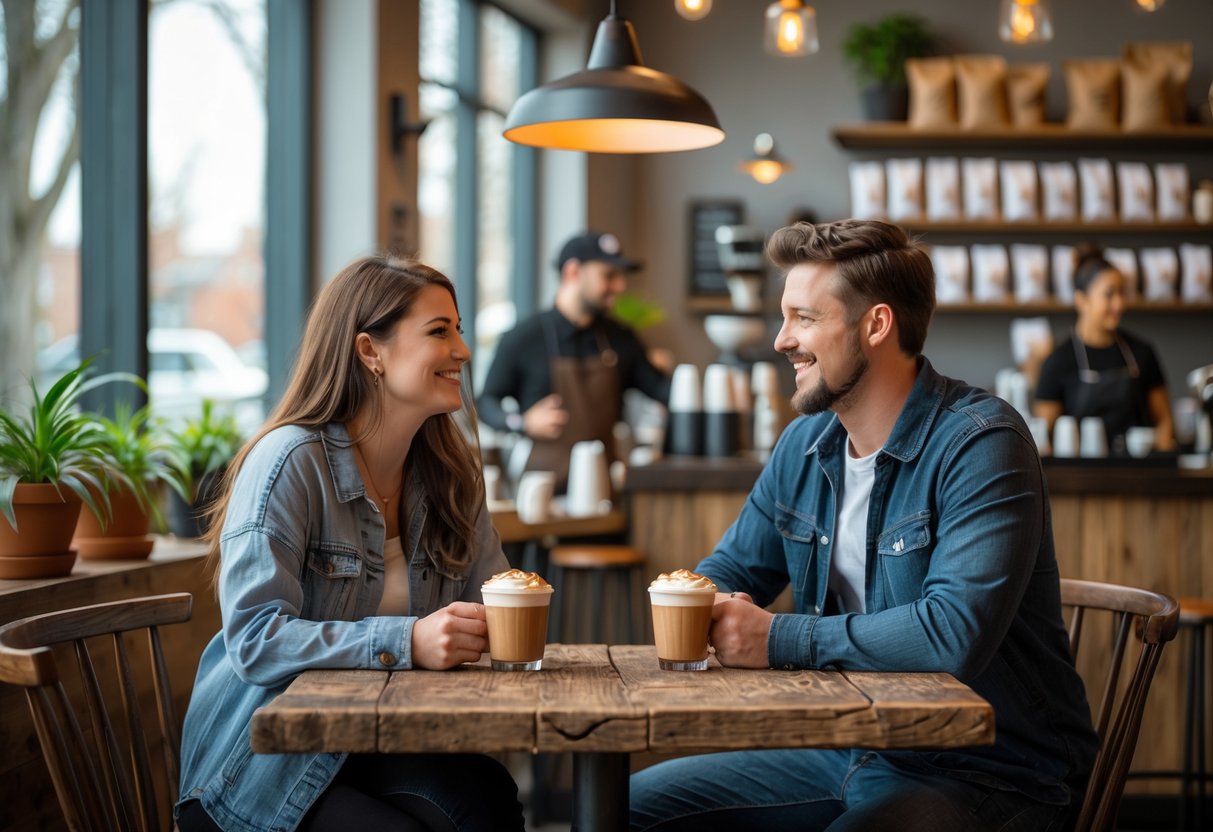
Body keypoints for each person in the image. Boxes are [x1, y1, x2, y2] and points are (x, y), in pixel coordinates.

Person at [629, 220, 1098, 832]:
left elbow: (951, 634)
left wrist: (775, 639)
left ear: (876, 325)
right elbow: (729, 569)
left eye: (803, 318)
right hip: (850, 746)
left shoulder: (982, 443)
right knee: (628, 807)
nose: (781, 340)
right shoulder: (805, 443)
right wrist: (714, 603)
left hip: (994, 770)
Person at [176, 256, 524, 832]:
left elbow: (494, 602)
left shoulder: (449, 475)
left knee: (487, 799)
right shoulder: (289, 462)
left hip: (373, 743)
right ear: (370, 352)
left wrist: (499, 624)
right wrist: (407, 639)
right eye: (440, 331)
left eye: (459, 329)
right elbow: (255, 640)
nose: (463, 350)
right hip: (255, 772)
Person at [478, 231, 671, 489]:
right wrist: (521, 422)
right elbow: (486, 401)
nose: (620, 286)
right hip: (541, 496)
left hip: (604, 491)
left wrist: (679, 378)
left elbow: (662, 391)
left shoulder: (621, 338)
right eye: (609, 276)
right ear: (573, 272)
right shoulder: (524, 338)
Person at [1033, 243, 1176, 453]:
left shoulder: (1142, 353)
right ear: (1082, 300)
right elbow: (1043, 435)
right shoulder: (1058, 361)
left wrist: (1162, 452)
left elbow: (1164, 420)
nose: (1119, 304)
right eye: (1109, 295)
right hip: (1078, 478)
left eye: (1122, 293)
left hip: (1138, 476)